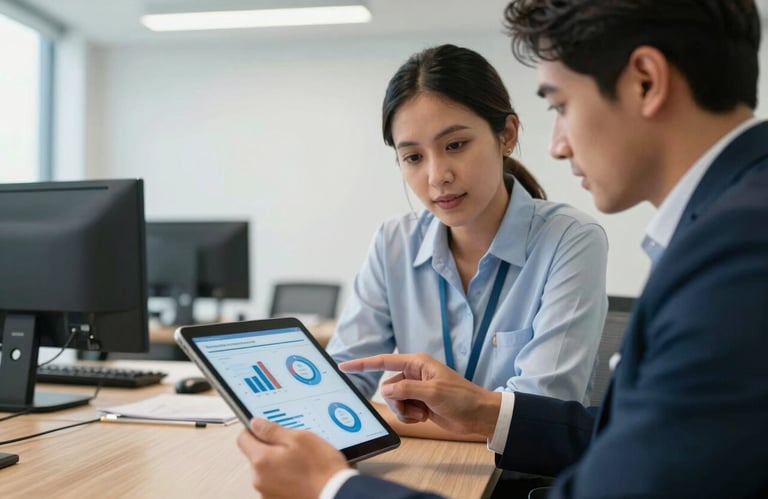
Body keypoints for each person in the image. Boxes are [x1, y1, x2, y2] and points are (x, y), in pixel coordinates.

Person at [237, 0, 768, 497]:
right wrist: (481, 409)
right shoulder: (724, 228)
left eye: (561, 105)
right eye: (412, 156)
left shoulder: (737, 252)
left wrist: (332, 487)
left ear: (646, 81)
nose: (557, 144)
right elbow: (627, 439)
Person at [324, 43, 608, 439]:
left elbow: (540, 416)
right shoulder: (394, 242)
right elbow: (335, 388)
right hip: (424, 464)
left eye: (455, 145)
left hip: (518, 472)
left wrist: (377, 421)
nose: (437, 176)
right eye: (413, 157)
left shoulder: (569, 240)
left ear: (506, 135)